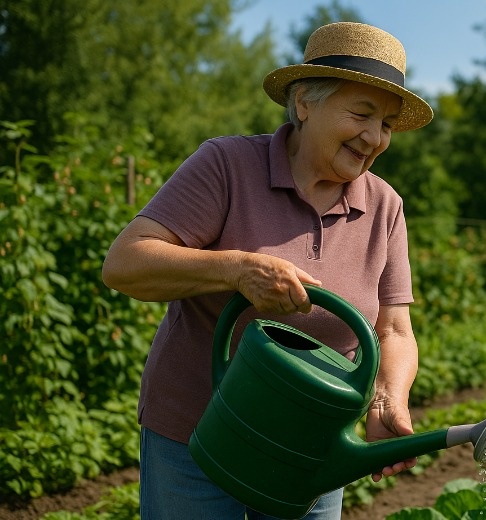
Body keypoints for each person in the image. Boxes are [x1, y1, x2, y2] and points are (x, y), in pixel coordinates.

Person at [102, 21, 433, 520]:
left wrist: (387, 398)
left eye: (385, 123)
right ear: (304, 102)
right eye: (361, 113)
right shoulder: (228, 166)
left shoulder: (384, 205)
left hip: (311, 445)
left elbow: (395, 328)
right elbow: (125, 263)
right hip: (198, 436)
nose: (374, 137)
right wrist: (238, 269)